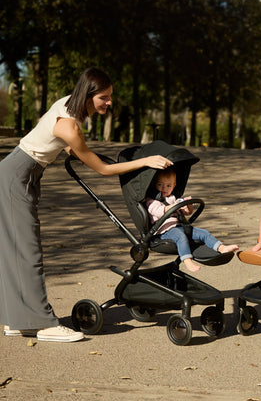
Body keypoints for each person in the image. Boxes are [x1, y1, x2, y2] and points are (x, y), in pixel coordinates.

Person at [0, 67, 173, 343]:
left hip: (22, 174)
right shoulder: (70, 127)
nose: (109, 102)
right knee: (28, 252)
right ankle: (44, 325)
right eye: (104, 97)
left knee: (17, 250)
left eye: (110, 97)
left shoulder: (67, 105)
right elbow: (103, 170)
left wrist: (69, 148)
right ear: (89, 95)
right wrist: (145, 161)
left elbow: (47, 125)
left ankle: (17, 321)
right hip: (15, 178)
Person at [146, 168, 239, 272]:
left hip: (179, 226)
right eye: (160, 185)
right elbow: (158, 211)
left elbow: (186, 213)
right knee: (181, 237)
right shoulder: (152, 201)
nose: (164, 188)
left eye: (168, 185)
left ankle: (221, 247)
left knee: (203, 233)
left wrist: (188, 205)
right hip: (164, 231)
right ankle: (187, 261)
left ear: (174, 185)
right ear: (154, 184)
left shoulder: (172, 198)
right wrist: (173, 206)